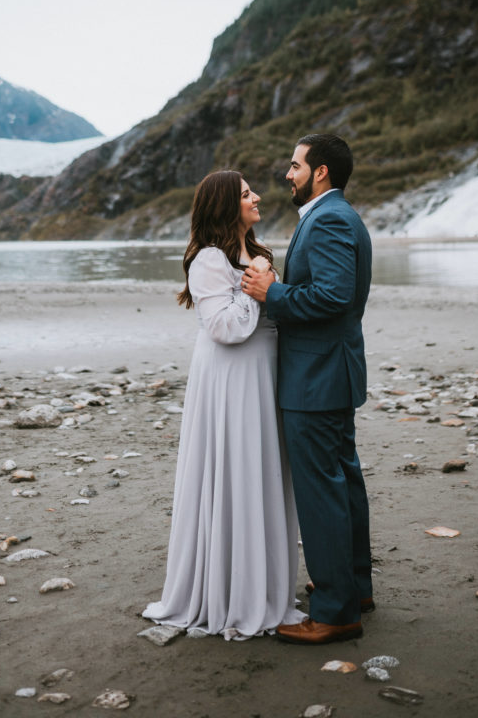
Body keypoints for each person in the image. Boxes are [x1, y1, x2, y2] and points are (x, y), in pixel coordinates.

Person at [143, 170, 306, 639]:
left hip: (262, 378)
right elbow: (225, 328)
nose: (256, 197)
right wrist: (259, 288)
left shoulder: (254, 254)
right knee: (233, 473)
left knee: (263, 475)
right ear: (224, 205)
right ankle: (228, 592)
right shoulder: (209, 260)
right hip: (231, 380)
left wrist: (265, 281)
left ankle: (264, 587)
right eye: (245, 194)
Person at [242, 134, 373, 645]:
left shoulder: (332, 217)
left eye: (295, 166)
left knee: (322, 492)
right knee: (344, 483)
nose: (287, 174)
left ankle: (337, 611)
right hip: (330, 373)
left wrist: (271, 293)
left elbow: (335, 295)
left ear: (319, 172)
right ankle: (355, 589)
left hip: (316, 378)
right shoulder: (332, 215)